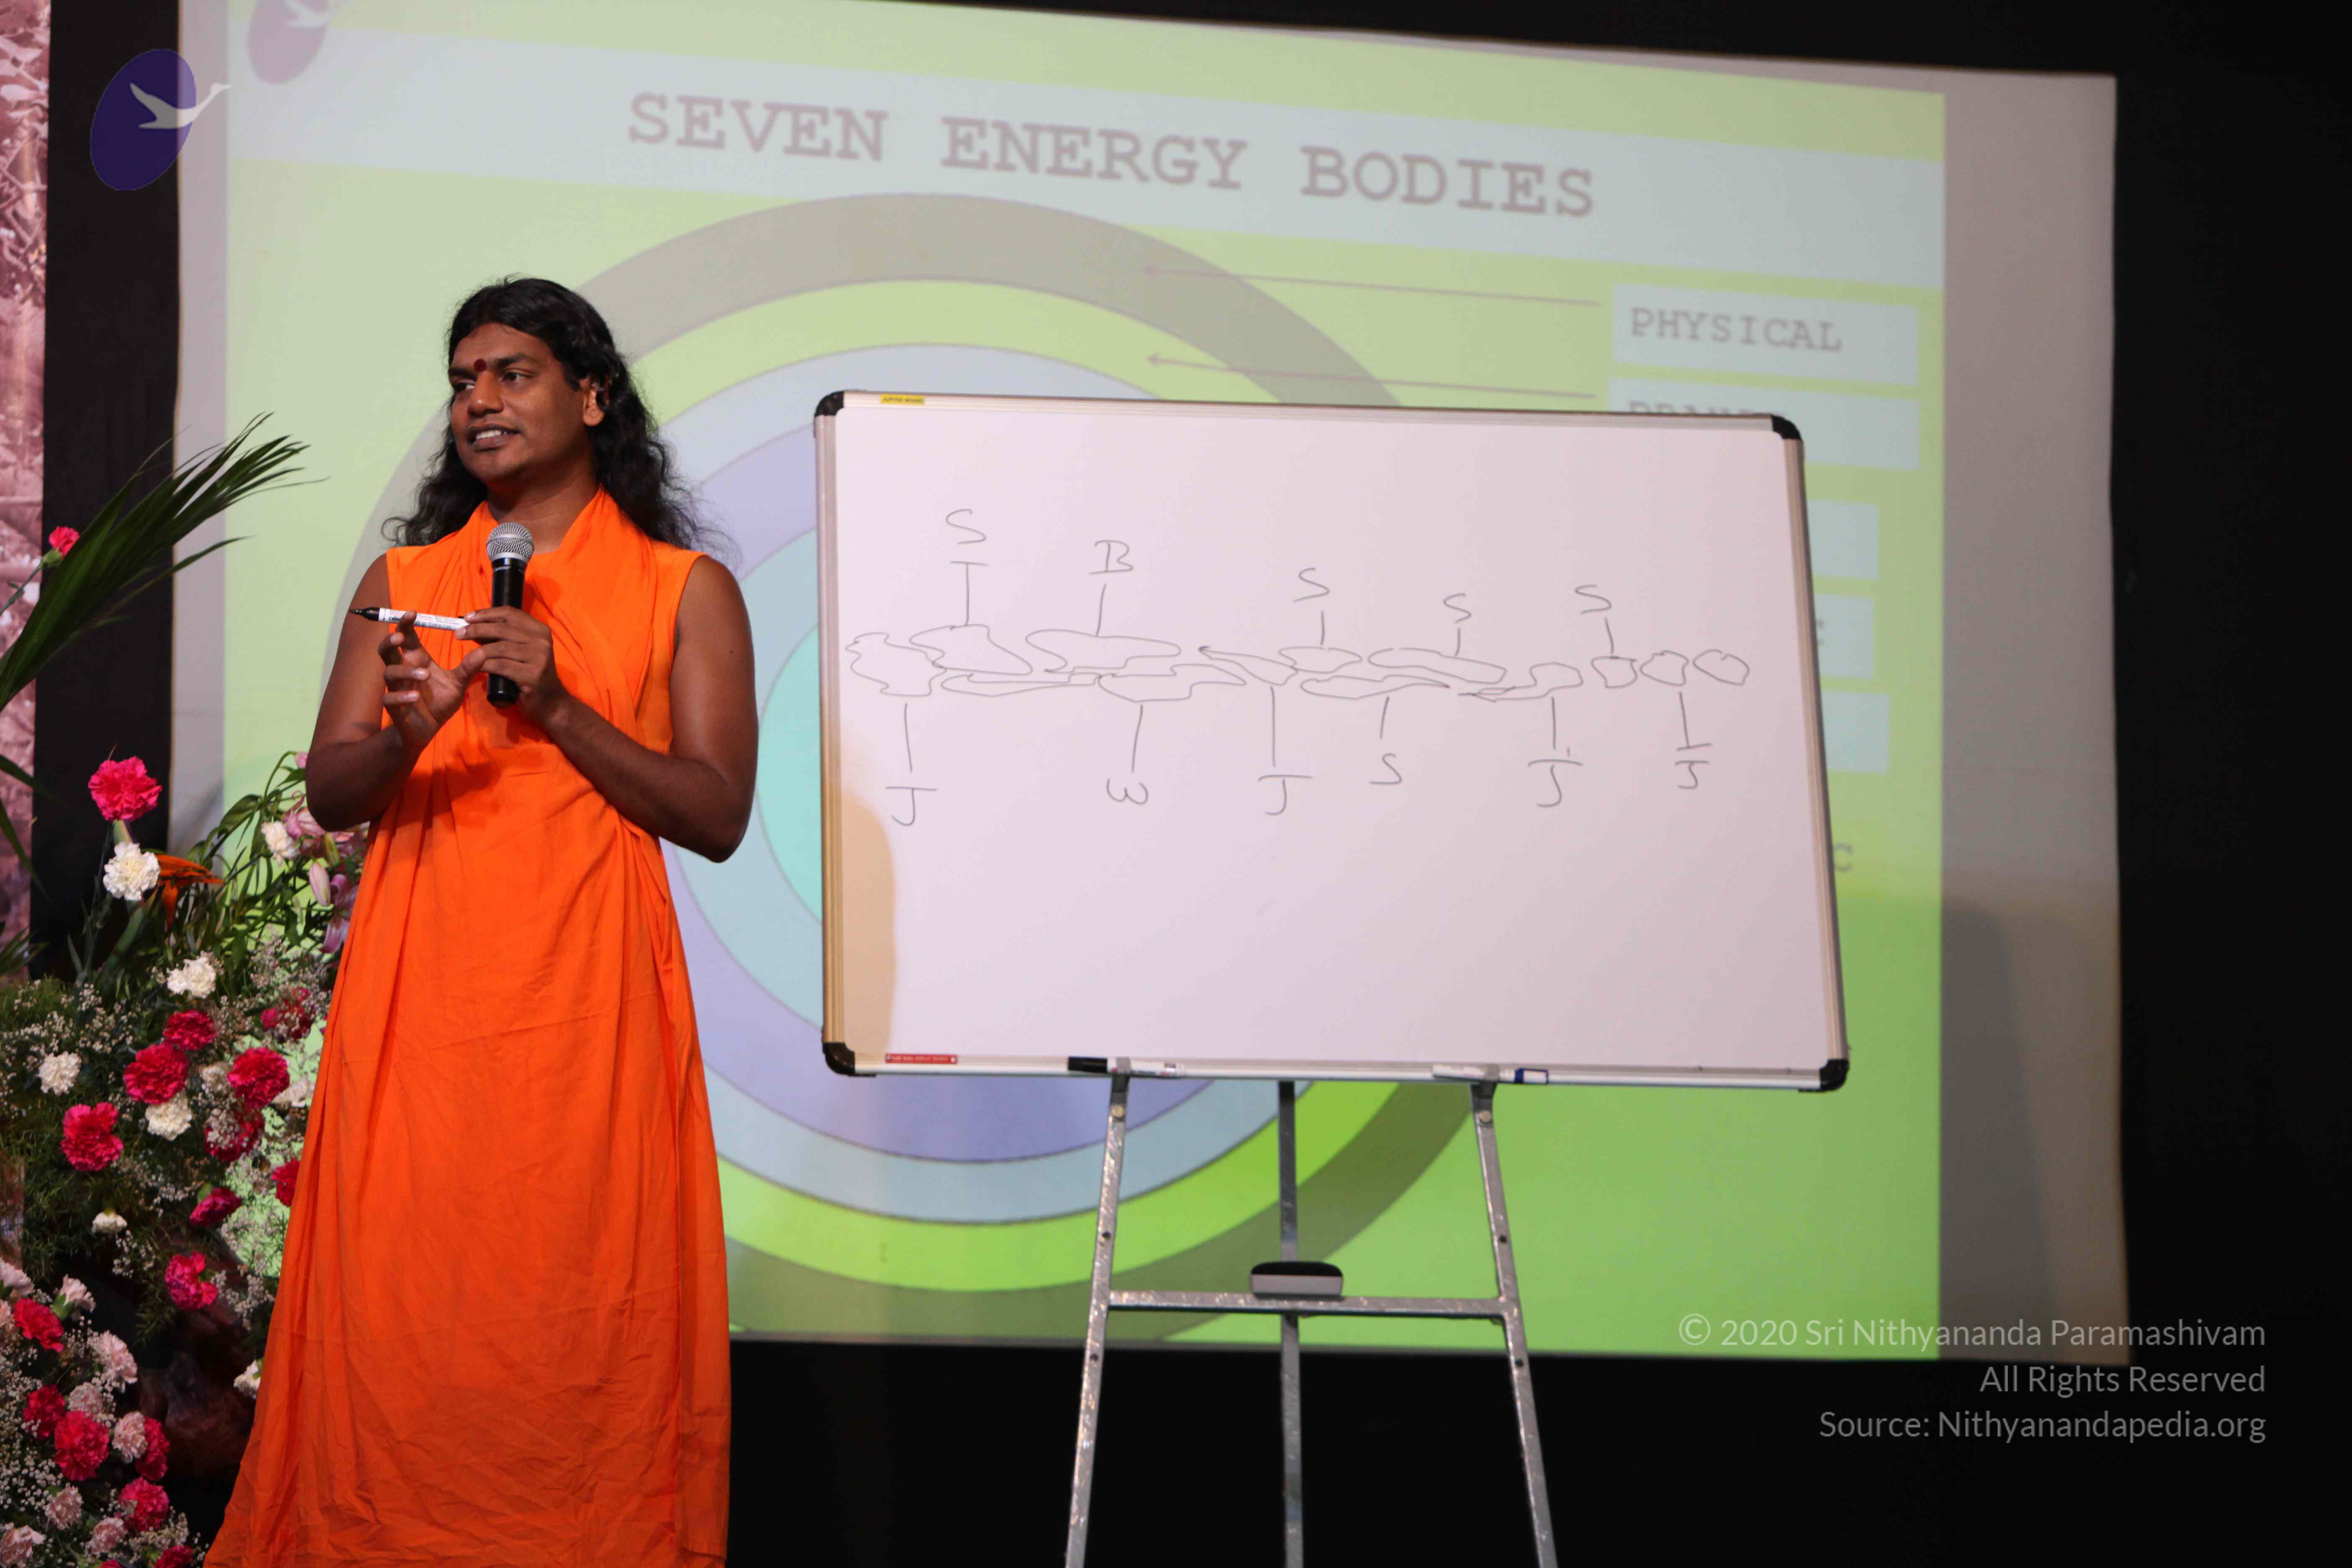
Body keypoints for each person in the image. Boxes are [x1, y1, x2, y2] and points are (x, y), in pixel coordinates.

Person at [209, 278, 754, 1566]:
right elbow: (333, 792)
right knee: (408, 1314)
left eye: (513, 373)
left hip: (591, 1016)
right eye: (464, 381)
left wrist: (558, 708)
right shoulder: (408, 584)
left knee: (582, 1313)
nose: (479, 402)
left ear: (592, 396)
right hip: (426, 1008)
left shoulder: (684, 588)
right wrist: (409, 734)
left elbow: (717, 811)